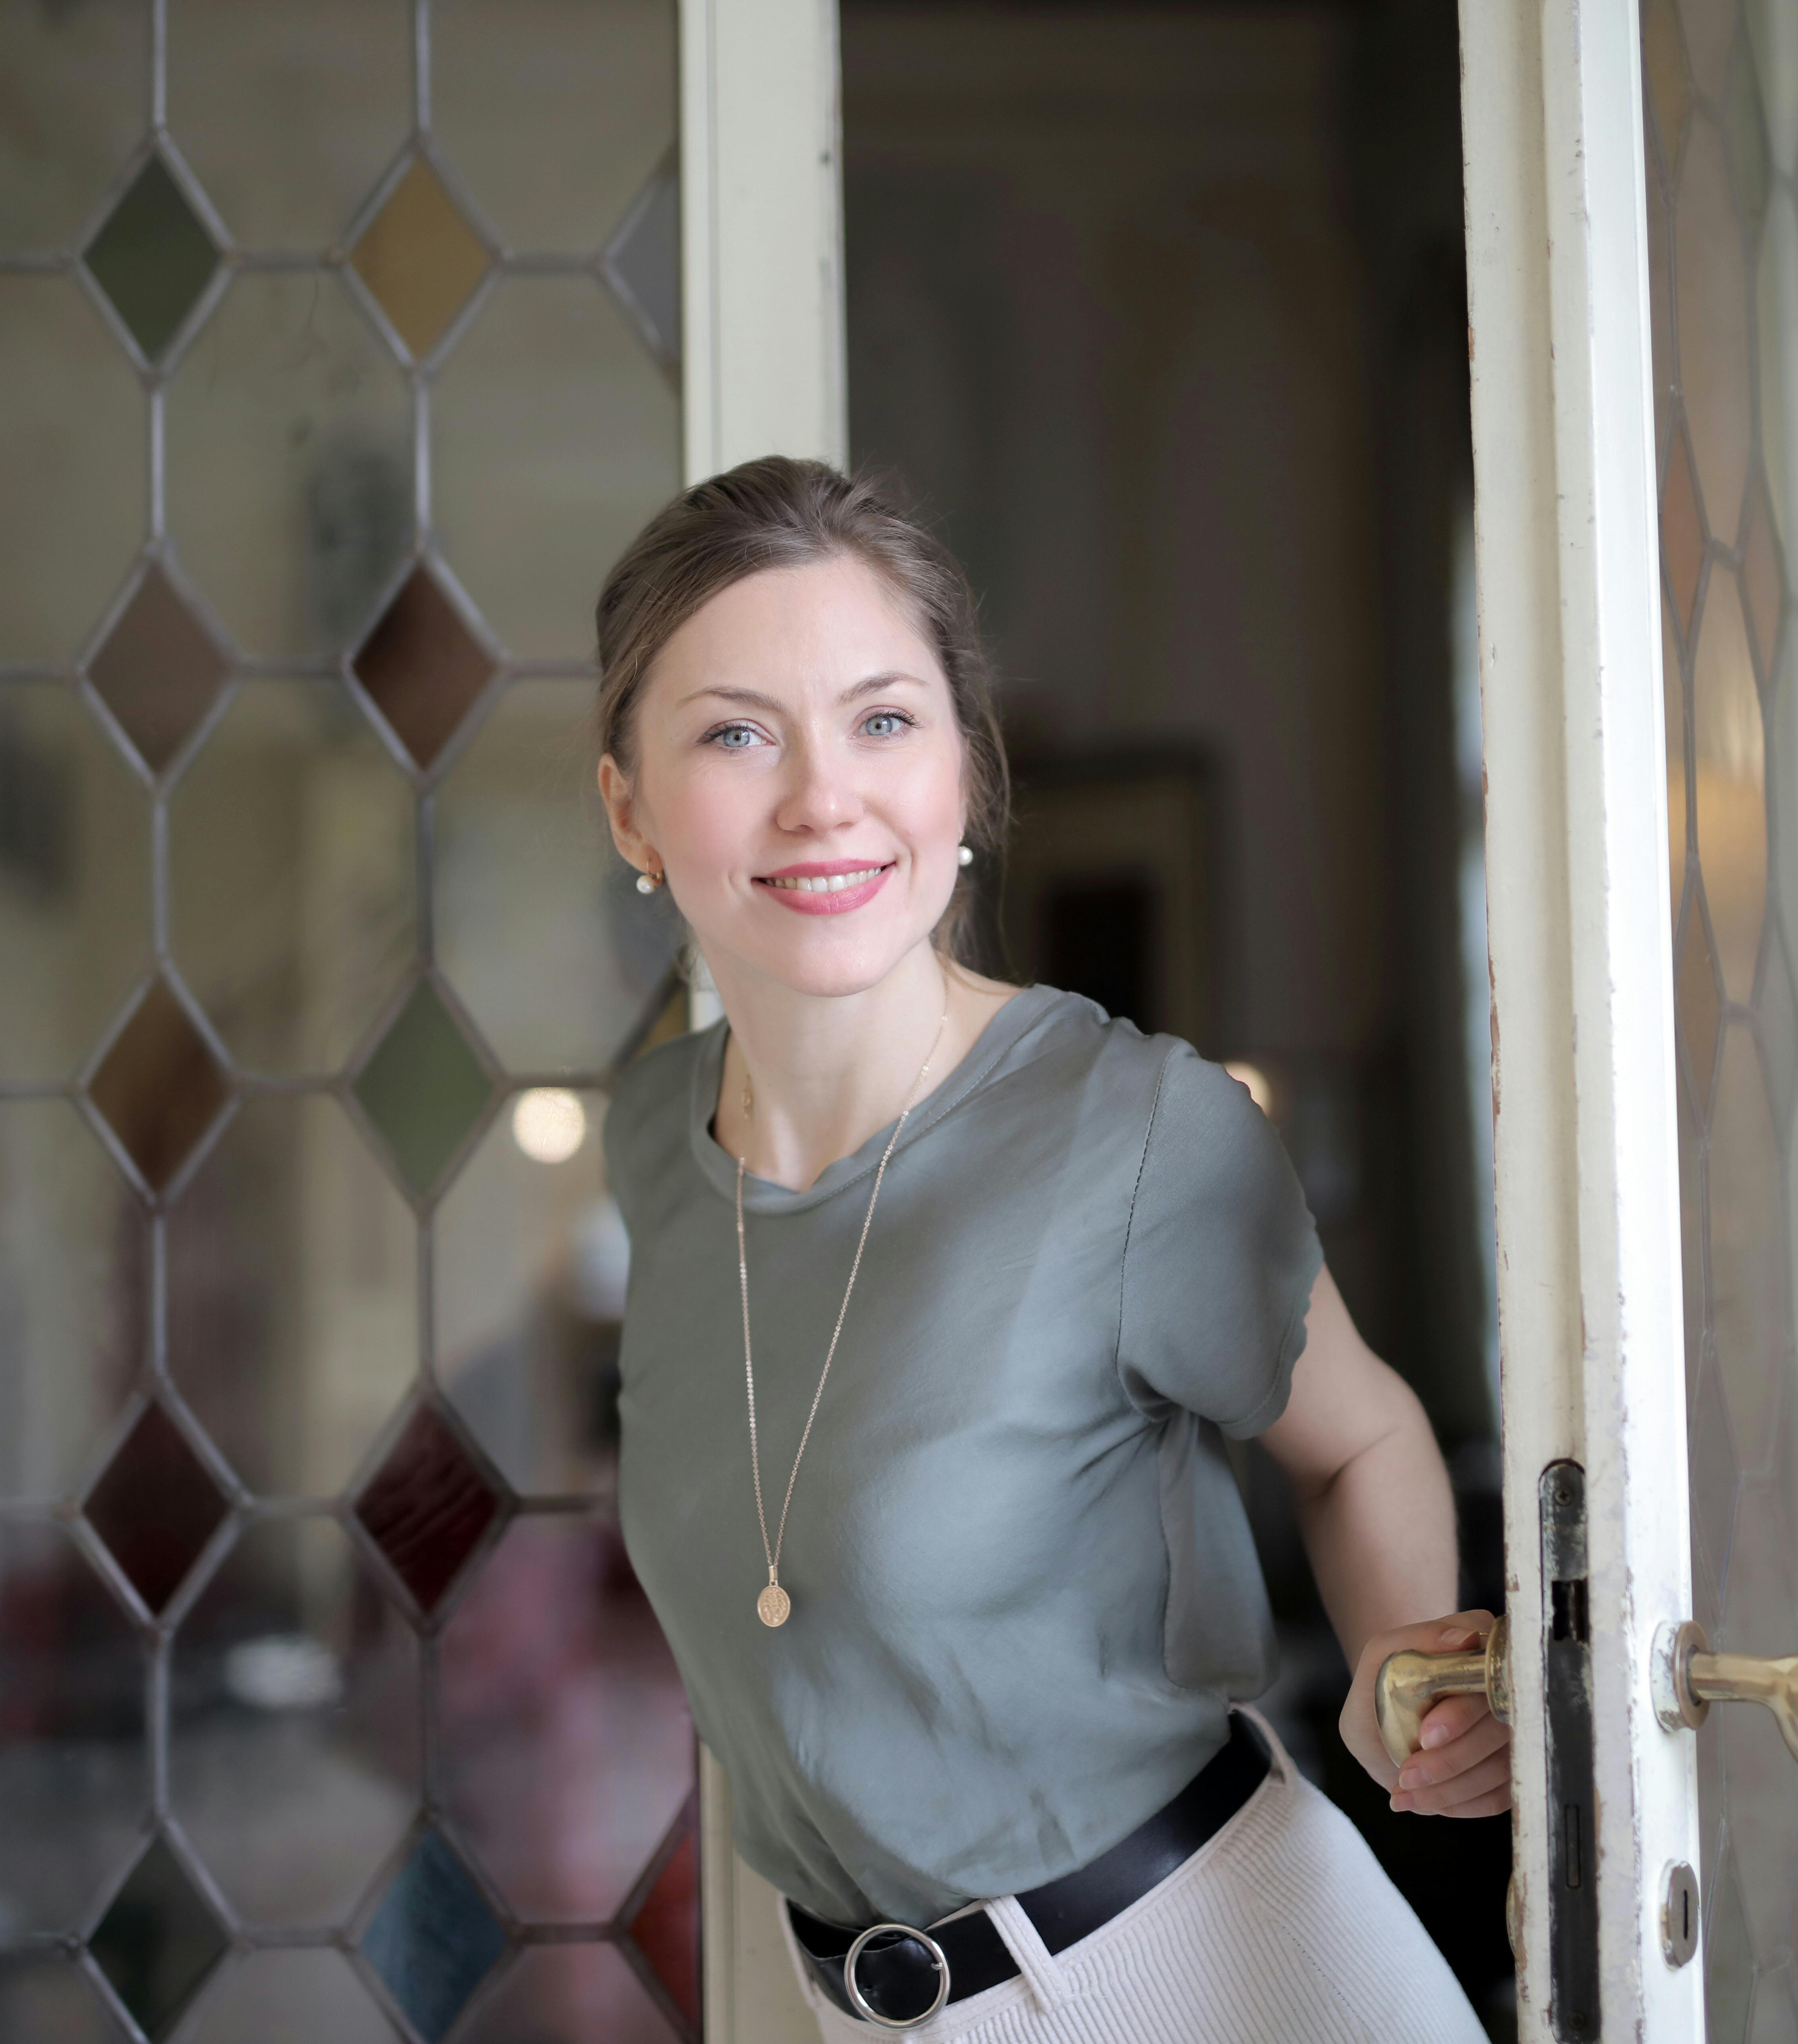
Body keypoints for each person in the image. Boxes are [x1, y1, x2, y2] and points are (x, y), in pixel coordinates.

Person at [595, 456, 1506, 2042]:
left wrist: (1398, 1677)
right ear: (631, 807)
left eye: (884, 719)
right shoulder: (653, 1143)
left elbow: (1360, 1440)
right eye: (739, 732)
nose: (824, 795)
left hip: (1204, 1967)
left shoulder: (1132, 1129)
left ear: (963, 771)